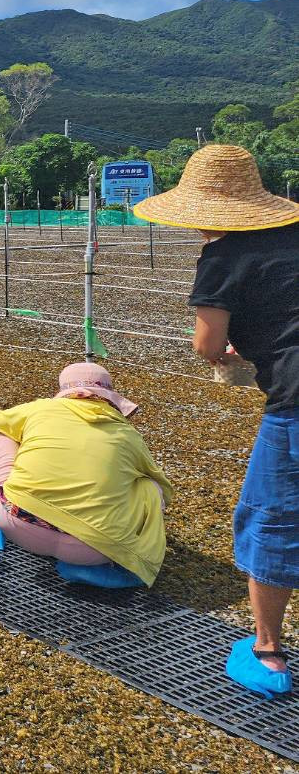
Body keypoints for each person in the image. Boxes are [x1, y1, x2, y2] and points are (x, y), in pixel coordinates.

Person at [134, 143, 299, 697]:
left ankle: (268, 652)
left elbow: (210, 344)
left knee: (273, 519)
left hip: (296, 403)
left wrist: (231, 358)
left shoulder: (223, 258)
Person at [0, 363, 173, 590]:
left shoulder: (41, 409)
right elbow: (165, 491)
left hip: (17, 524)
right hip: (95, 548)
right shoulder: (128, 435)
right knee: (150, 487)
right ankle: (121, 567)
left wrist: (26, 438)